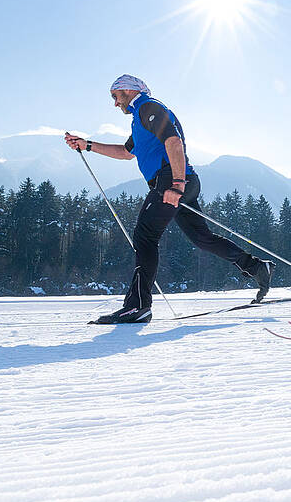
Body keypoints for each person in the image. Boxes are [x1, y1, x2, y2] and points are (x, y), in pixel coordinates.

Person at [65, 74, 274, 323]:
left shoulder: (149, 108)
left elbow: (173, 142)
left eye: (115, 96)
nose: (114, 103)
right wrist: (87, 145)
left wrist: (176, 185)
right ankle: (257, 267)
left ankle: (137, 306)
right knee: (202, 238)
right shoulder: (140, 119)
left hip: (171, 181)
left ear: (128, 90)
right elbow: (125, 152)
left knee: (145, 236)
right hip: (183, 181)